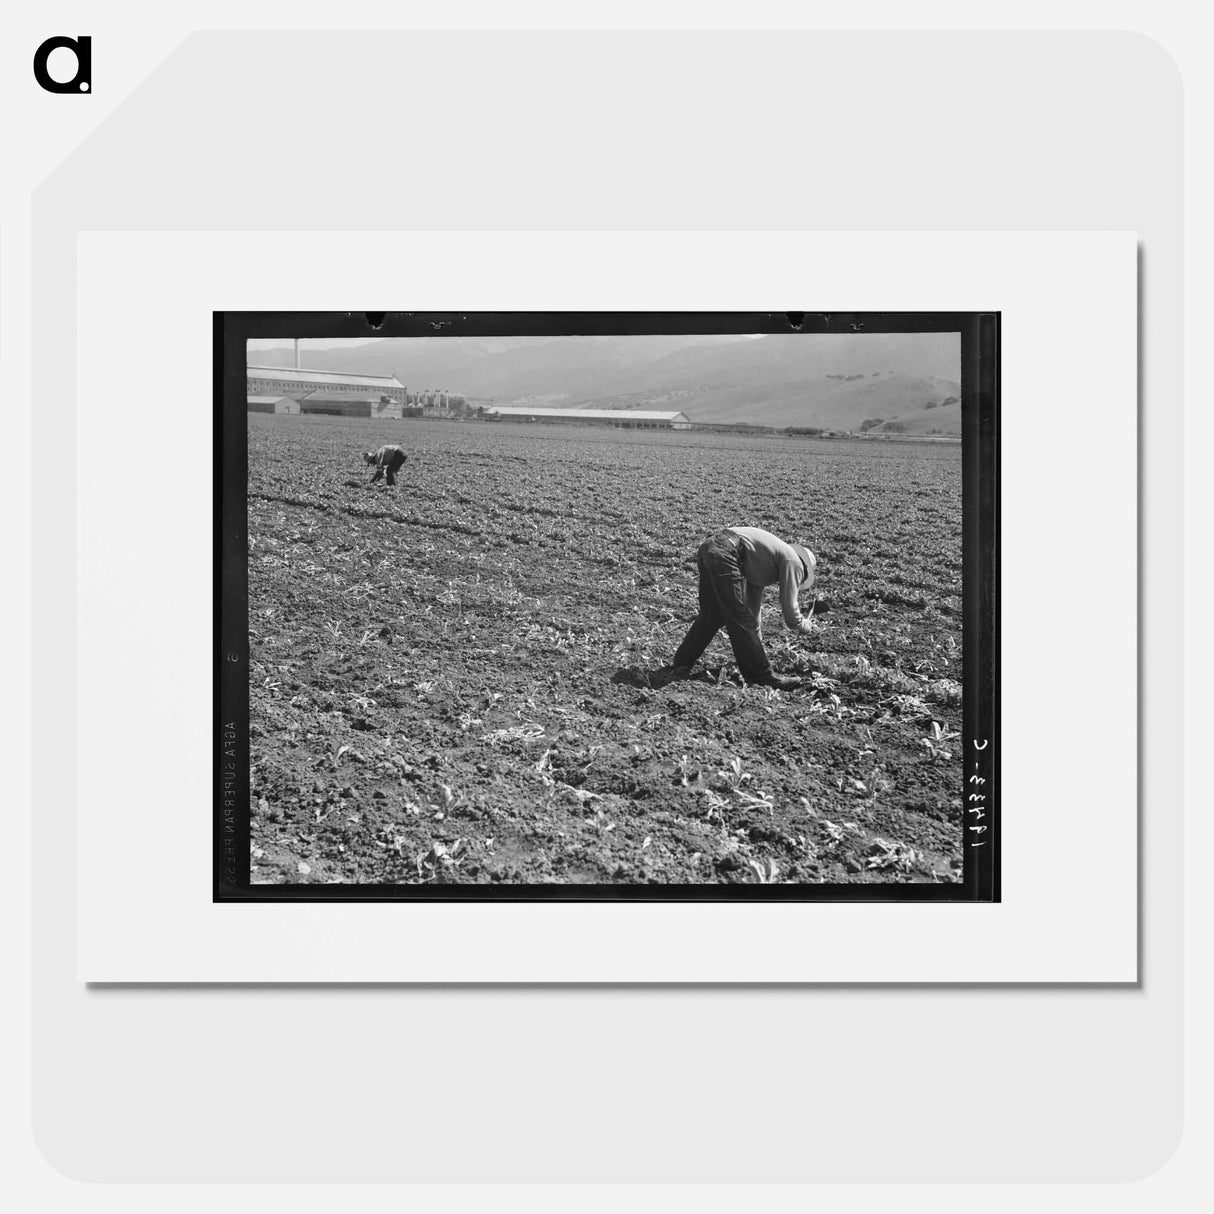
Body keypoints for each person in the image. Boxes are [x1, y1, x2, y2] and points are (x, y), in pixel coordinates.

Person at [670, 526, 817, 690]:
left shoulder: (767, 560)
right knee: (738, 616)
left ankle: (682, 662)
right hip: (726, 551)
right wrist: (804, 625)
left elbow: (752, 602)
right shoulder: (794, 562)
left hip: (711, 547)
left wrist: (756, 637)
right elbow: (790, 611)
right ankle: (761, 676)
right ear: (804, 569)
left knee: (713, 614)